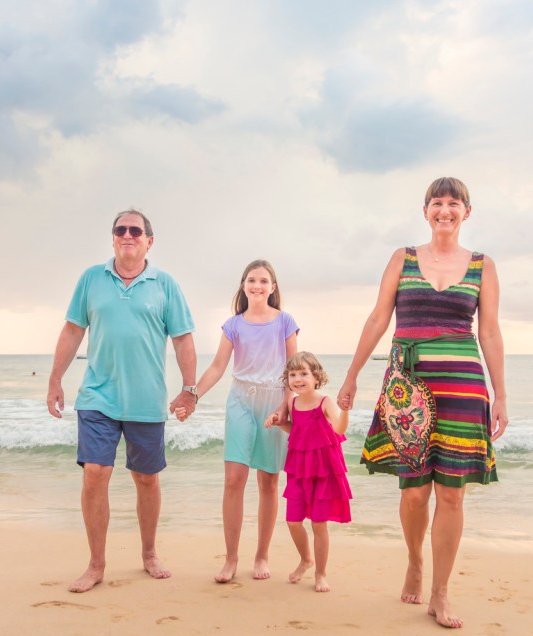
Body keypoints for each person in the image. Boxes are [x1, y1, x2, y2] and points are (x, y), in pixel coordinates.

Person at [336, 177, 507, 627]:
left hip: (463, 387)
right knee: (414, 493)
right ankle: (414, 560)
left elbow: (488, 331)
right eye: (437, 202)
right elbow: (378, 317)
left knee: (451, 493)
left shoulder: (483, 265)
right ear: (425, 210)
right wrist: (352, 374)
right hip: (406, 387)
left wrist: (501, 394)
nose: (445, 210)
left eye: (454, 203)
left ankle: (441, 591)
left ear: (466, 211)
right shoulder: (403, 258)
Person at [46, 209, 199, 593]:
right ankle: (96, 564)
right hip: (98, 395)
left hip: (147, 399)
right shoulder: (91, 279)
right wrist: (55, 380)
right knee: (95, 473)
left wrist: (190, 388)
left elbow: (183, 339)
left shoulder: (165, 284)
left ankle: (149, 554)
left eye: (136, 230)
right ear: (113, 238)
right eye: (120, 230)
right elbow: (72, 330)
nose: (127, 235)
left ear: (149, 240)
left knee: (146, 478)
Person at [179, 260, 298, 583]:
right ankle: (230, 558)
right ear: (243, 286)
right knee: (233, 479)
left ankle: (261, 555)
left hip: (273, 402)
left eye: (263, 281)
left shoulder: (285, 322)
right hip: (241, 401)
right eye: (251, 280)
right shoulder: (233, 325)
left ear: (273, 288)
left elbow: (293, 369)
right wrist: (193, 395)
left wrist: (287, 407)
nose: (257, 286)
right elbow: (218, 367)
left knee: (269, 481)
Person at [266, 351, 352, 593]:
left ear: (316, 377)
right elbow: (296, 431)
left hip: (324, 471)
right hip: (299, 470)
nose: (298, 379)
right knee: (293, 521)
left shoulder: (325, 402)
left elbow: (338, 427)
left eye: (304, 373)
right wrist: (278, 421)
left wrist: (345, 411)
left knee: (318, 523)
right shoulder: (293, 403)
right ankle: (306, 559)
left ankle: (321, 573)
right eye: (293, 374)